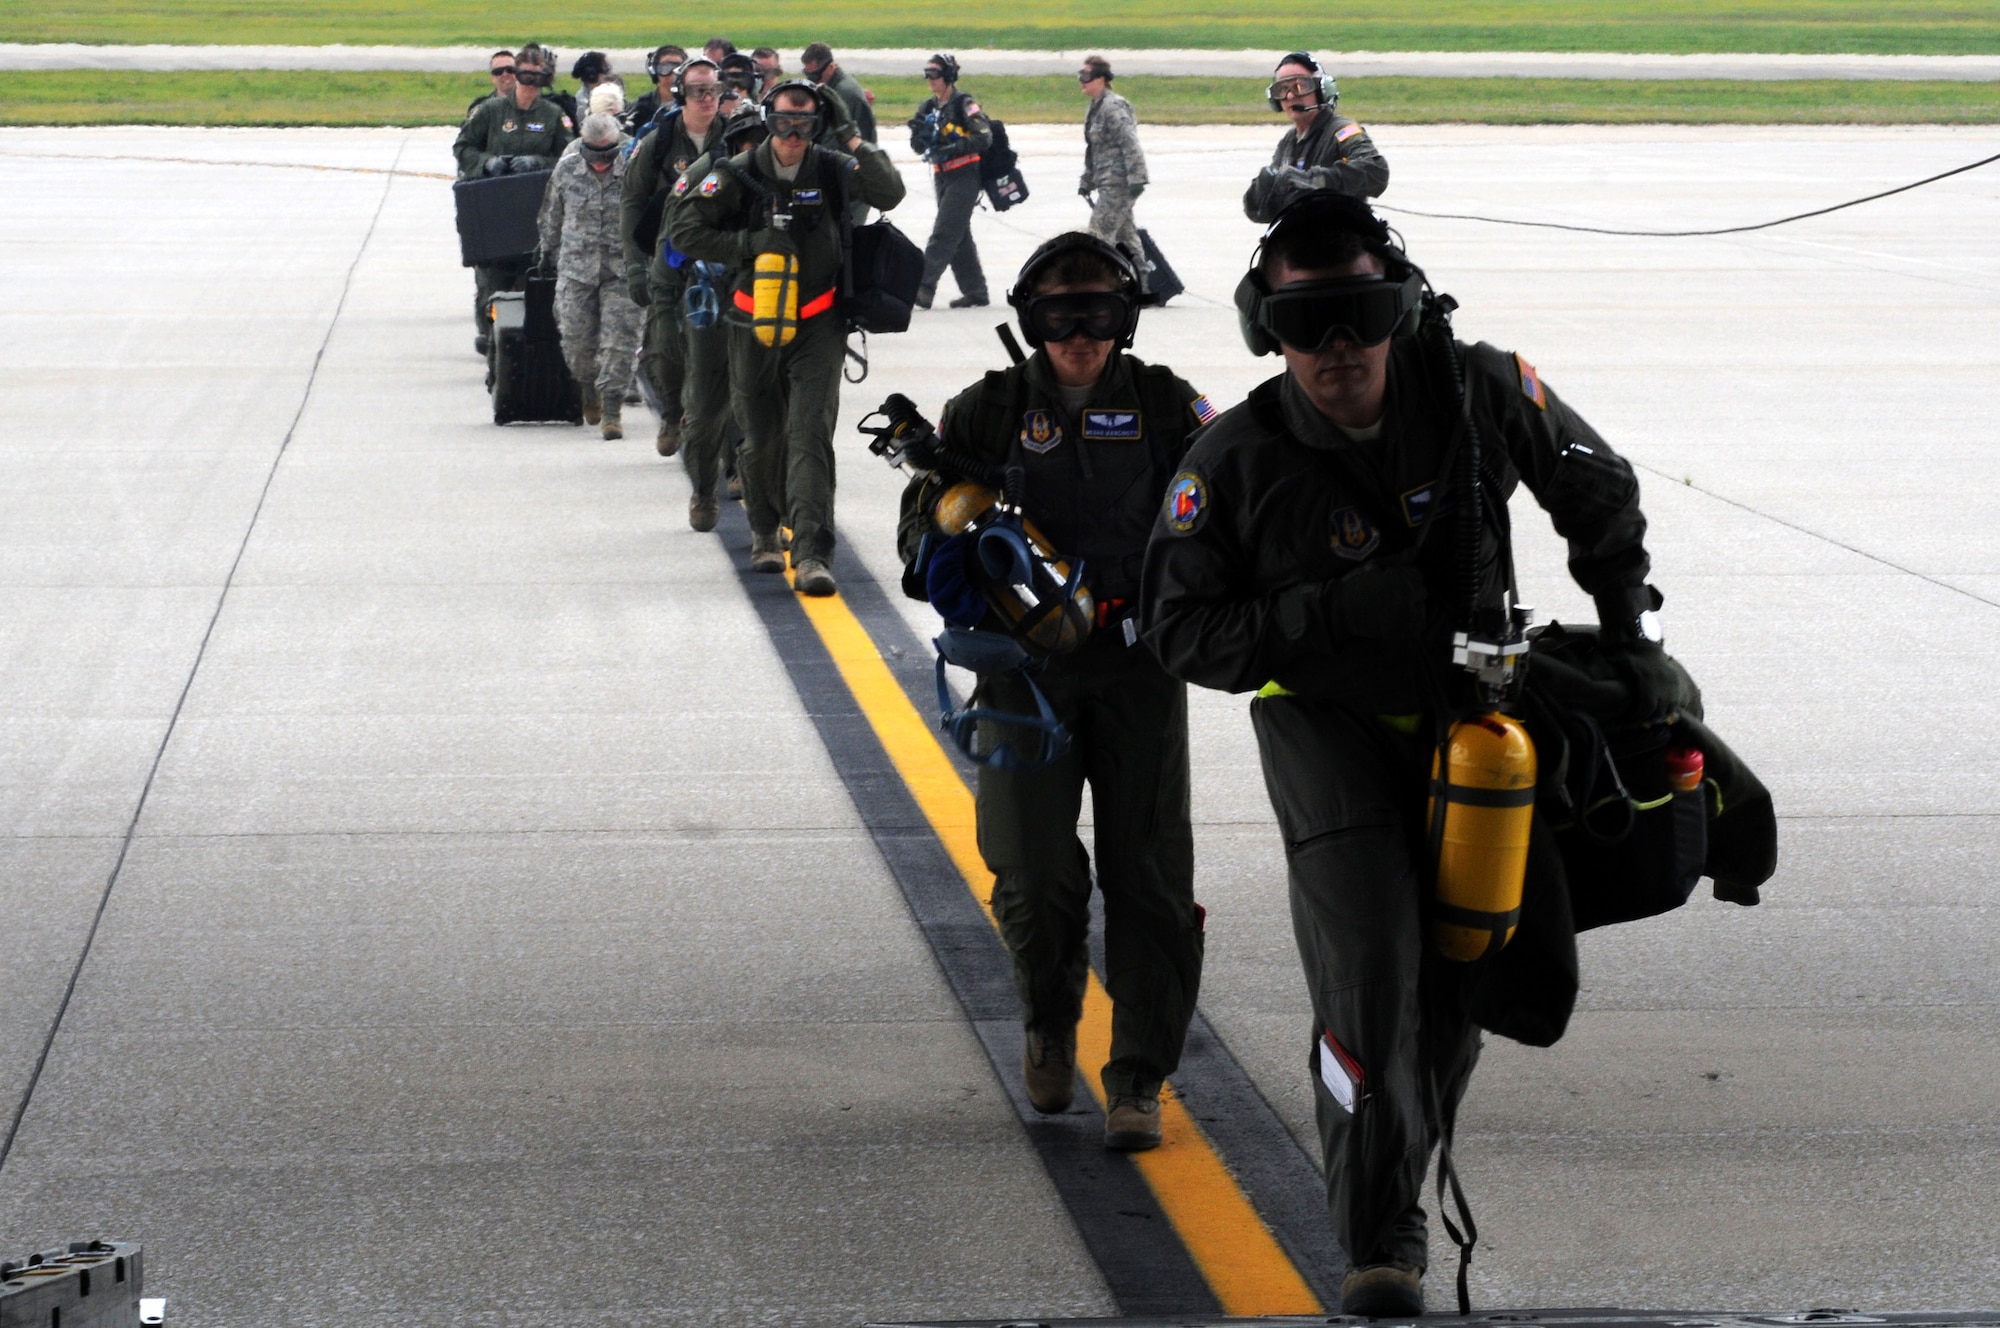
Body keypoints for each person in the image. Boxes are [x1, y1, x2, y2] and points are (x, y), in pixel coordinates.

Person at [1141, 192, 1665, 1315]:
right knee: (1370, 974)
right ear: (1262, 330)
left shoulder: (1476, 393)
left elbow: (1594, 484)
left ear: (1401, 307)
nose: (1336, 351)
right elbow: (1183, 630)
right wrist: (1336, 614)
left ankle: (1401, 1165)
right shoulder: (1232, 459)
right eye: (1302, 326)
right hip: (1326, 730)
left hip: (1475, 727)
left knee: (1457, 976)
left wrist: (1630, 627)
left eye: (1360, 316)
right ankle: (1380, 1231)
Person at [896, 233, 1213, 1150]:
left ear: (1127, 317)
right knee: (1030, 871)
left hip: (1138, 670)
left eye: (1099, 315)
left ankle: (1139, 1076)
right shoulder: (986, 412)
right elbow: (920, 549)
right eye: (1058, 316)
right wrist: (951, 534)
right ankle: (1048, 1014)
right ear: (1030, 321)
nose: (1079, 335)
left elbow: (1230, 511)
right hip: (1021, 675)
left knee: (1150, 880)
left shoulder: (1167, 407)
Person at [668, 79, 906, 593]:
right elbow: (684, 232)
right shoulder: (737, 173)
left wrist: (850, 132)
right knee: (760, 439)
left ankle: (814, 553)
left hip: (818, 322)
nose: (792, 134)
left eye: (804, 122)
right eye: (782, 122)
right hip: (752, 321)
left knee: (809, 435)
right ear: (768, 120)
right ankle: (764, 532)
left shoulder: (834, 167)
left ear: (818, 124)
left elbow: (891, 192)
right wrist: (749, 244)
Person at [621, 55, 729, 459]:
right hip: (669, 259)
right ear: (681, 93)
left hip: (720, 258)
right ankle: (672, 410)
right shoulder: (658, 143)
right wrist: (635, 264)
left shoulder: (735, 137)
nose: (707, 98)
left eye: (714, 90)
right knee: (665, 347)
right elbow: (631, 203)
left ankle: (723, 439)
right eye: (698, 90)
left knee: (725, 351)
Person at [454, 42, 575, 354]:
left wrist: (539, 163)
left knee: (532, 280)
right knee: (490, 282)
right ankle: (489, 337)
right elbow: (463, 147)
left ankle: (520, 344)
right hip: (494, 207)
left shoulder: (554, 115)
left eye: (537, 77)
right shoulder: (491, 111)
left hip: (535, 210)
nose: (529, 84)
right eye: (524, 76)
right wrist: (487, 163)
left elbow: (569, 156)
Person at [538, 113, 643, 438]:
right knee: (576, 342)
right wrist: (546, 252)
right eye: (593, 156)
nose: (600, 163)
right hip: (576, 269)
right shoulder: (567, 169)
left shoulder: (634, 171)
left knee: (621, 343)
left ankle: (613, 409)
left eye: (607, 156)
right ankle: (588, 387)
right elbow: (551, 215)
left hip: (622, 271)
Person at [1243, 52, 1388, 224]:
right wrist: (1261, 189)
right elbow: (1263, 212)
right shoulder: (1288, 141)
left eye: (1300, 86)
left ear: (1322, 90)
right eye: (1282, 89)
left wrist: (1314, 180)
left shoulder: (1343, 130)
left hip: (1342, 230)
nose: (1290, 96)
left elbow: (1376, 171)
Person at [907, 53, 992, 310]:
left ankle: (923, 287)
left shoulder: (964, 104)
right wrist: (918, 134)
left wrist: (953, 149)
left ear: (949, 76)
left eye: (935, 74)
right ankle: (976, 291)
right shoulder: (928, 107)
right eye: (928, 74)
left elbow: (984, 137)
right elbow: (918, 148)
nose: (930, 79)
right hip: (942, 176)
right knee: (959, 235)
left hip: (965, 176)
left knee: (944, 233)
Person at [1076, 55, 1148, 294]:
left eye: (1087, 77)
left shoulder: (1113, 107)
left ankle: (1096, 287)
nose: (1082, 81)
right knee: (1126, 236)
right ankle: (1142, 288)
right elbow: (1094, 150)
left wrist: (1137, 178)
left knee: (1099, 233)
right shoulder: (1095, 108)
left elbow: (1130, 143)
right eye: (1081, 76)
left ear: (1102, 79)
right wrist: (1087, 181)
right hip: (1107, 182)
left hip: (1120, 183)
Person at [801, 42, 876, 144]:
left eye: (815, 76)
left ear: (831, 67)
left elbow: (834, 141)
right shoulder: (830, 89)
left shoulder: (844, 94)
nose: (812, 81)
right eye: (808, 75)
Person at [626, 45, 687, 130]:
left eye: (679, 68)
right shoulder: (642, 106)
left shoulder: (693, 104)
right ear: (654, 72)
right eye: (665, 68)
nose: (673, 74)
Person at [467, 50, 514, 119]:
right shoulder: (482, 107)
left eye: (510, 69)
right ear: (492, 78)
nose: (505, 74)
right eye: (498, 71)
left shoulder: (531, 103)